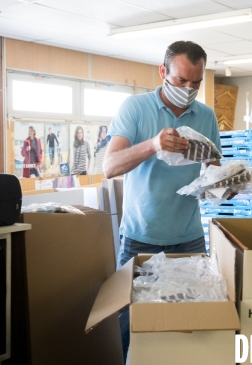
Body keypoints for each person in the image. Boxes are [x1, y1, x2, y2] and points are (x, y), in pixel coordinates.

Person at [103, 41, 221, 361]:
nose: (189, 88)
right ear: (163, 72)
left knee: (190, 332)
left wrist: (225, 184)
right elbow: (110, 166)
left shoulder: (206, 116)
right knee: (134, 330)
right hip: (140, 240)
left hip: (189, 240)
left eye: (196, 82)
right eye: (181, 80)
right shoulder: (135, 108)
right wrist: (153, 144)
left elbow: (212, 170)